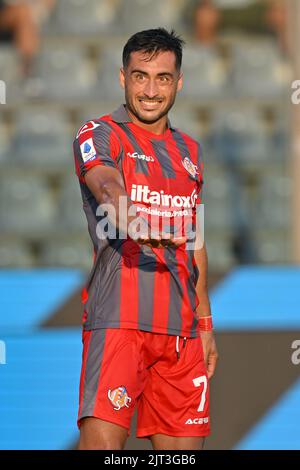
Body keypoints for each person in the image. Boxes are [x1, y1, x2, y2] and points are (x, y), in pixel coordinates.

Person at [73, 28, 218, 451]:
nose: (151, 91)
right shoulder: (98, 133)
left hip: (183, 334)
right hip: (119, 323)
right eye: (140, 76)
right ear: (122, 78)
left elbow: (196, 240)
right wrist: (136, 222)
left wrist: (205, 323)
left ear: (179, 82)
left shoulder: (191, 150)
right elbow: (106, 186)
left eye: (163, 78)